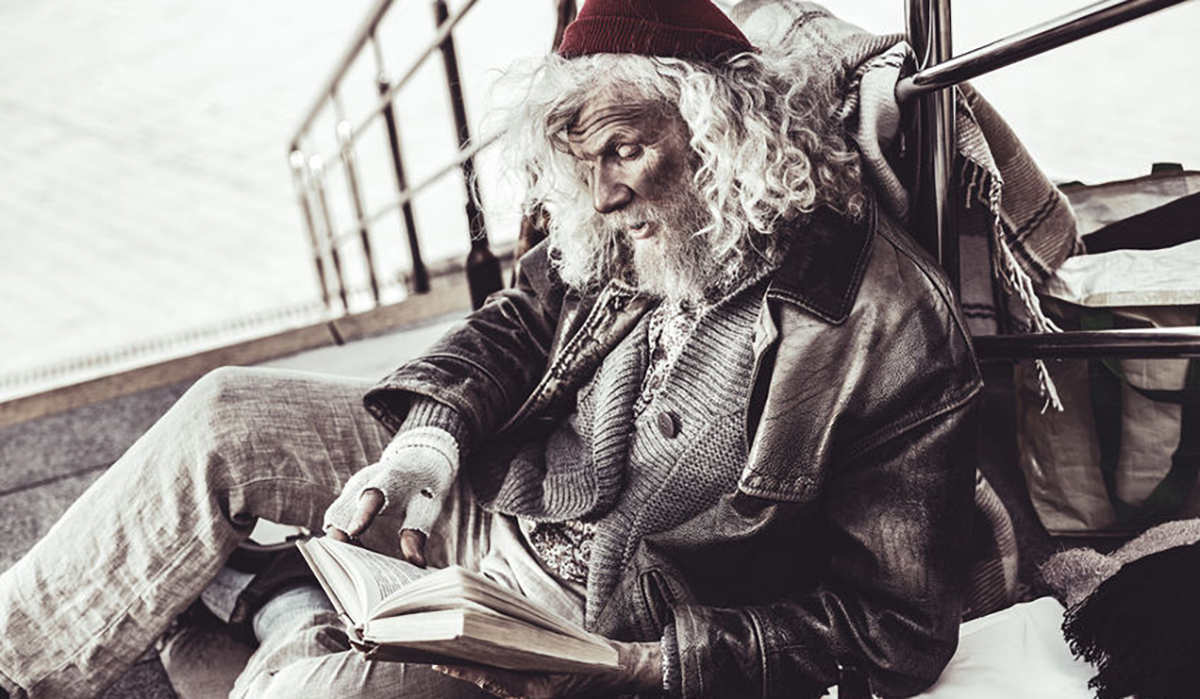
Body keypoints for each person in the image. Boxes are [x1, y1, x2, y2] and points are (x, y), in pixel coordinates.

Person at [0, 0, 981, 697]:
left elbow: (890, 633)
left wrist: (634, 672)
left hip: (613, 617)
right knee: (224, 410)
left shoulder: (889, 328)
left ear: (721, 133)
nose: (599, 196)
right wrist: (424, 442)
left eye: (624, 150)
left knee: (321, 689)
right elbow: (518, 318)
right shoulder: (633, 224)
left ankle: (281, 607)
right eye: (583, 163)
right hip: (501, 497)